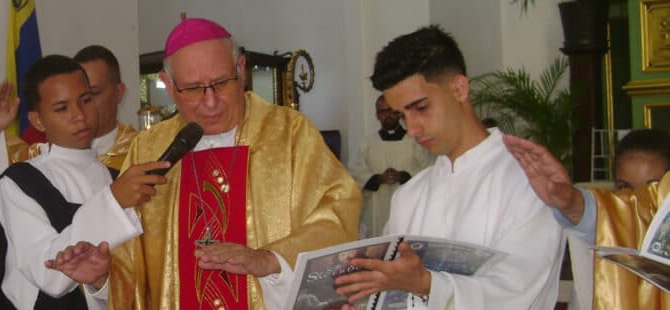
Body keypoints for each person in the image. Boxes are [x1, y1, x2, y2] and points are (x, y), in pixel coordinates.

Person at [108, 18, 362, 309]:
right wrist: (100, 278)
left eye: (221, 83)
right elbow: (126, 257)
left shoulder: (290, 133)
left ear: (241, 69)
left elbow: (339, 215)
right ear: (168, 85)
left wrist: (271, 259)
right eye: (193, 89)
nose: (211, 102)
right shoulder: (148, 149)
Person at [334, 25, 565, 309]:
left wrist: (427, 284)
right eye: (402, 116)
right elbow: (392, 294)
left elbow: (518, 291)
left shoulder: (528, 182)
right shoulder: (410, 196)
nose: (412, 130)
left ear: (458, 88)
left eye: (420, 108)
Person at [0, 45, 140, 309]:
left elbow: (130, 279)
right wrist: (113, 202)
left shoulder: (116, 178)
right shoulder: (21, 182)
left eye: (86, 99)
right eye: (62, 108)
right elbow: (49, 273)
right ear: (38, 121)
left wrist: (100, 282)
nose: (79, 115)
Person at [504, 128, 670, 310]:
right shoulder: (613, 226)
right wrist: (568, 200)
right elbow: (594, 215)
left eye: (651, 189)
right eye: (624, 187)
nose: (635, 201)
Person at [351, 94, 432, 237]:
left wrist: (403, 176)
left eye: (391, 111)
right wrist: (377, 179)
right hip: (376, 208)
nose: (387, 115)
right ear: (377, 115)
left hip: (408, 206)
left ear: (398, 112)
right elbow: (356, 173)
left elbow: (428, 171)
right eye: (383, 112)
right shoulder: (368, 143)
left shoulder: (414, 141)